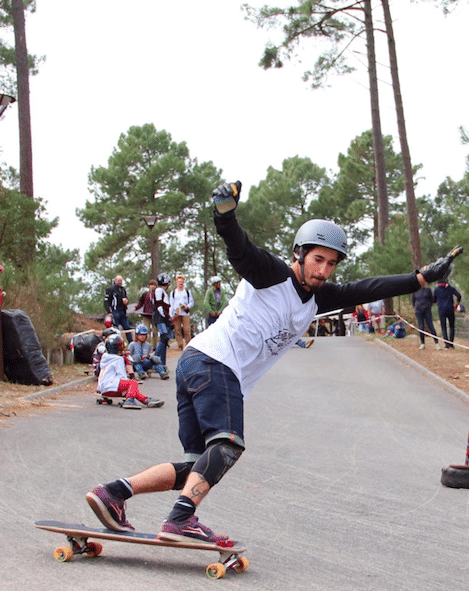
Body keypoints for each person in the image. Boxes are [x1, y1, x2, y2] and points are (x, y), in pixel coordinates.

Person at [86, 180, 461, 543]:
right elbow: (239, 247)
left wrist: (421, 277)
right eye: (317, 260)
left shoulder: (316, 299)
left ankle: (112, 494)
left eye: (331, 264)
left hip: (195, 364)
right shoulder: (271, 274)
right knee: (228, 445)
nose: (323, 271)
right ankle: (181, 520)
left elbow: (366, 288)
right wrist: (224, 213)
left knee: (196, 465)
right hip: (216, 363)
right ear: (299, 253)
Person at [98, 334, 164, 409]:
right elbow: (121, 375)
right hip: (112, 386)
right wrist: (126, 385)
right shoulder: (118, 359)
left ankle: (146, 400)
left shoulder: (104, 357)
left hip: (104, 389)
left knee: (132, 389)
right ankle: (129, 401)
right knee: (133, 383)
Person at [433, 278, 462, 349]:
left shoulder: (436, 290)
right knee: (452, 326)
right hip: (450, 309)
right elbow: (459, 295)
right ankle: (451, 344)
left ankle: (446, 344)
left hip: (441, 310)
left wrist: (438, 301)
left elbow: (433, 300)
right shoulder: (450, 288)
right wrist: (457, 303)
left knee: (444, 327)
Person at [104, 275, 132, 344]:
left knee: (127, 327)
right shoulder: (110, 289)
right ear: (115, 280)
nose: (120, 282)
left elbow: (126, 298)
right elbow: (106, 301)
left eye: (121, 280)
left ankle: (131, 343)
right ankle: (115, 343)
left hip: (123, 311)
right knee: (116, 329)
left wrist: (126, 301)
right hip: (115, 311)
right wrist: (109, 311)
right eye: (118, 280)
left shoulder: (123, 289)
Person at [170, 274, 194, 349]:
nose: (180, 283)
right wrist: (171, 314)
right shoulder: (173, 292)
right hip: (176, 313)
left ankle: (188, 344)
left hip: (185, 313)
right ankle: (180, 344)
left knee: (187, 329)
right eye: (179, 282)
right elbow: (171, 304)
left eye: (182, 282)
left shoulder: (187, 292)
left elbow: (192, 302)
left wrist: (187, 306)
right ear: (176, 282)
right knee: (177, 329)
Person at [153, 273, 172, 369]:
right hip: (159, 317)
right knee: (164, 337)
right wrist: (165, 316)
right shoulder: (159, 290)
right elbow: (159, 305)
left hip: (163, 318)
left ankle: (163, 363)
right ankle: (154, 359)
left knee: (165, 340)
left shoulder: (163, 291)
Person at [134, 280, 158, 349]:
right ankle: (147, 346)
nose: (153, 286)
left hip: (155, 315)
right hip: (146, 315)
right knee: (146, 331)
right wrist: (135, 308)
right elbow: (140, 303)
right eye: (151, 285)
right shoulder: (145, 294)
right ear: (149, 286)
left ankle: (155, 346)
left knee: (155, 331)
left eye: (154, 285)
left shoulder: (157, 294)